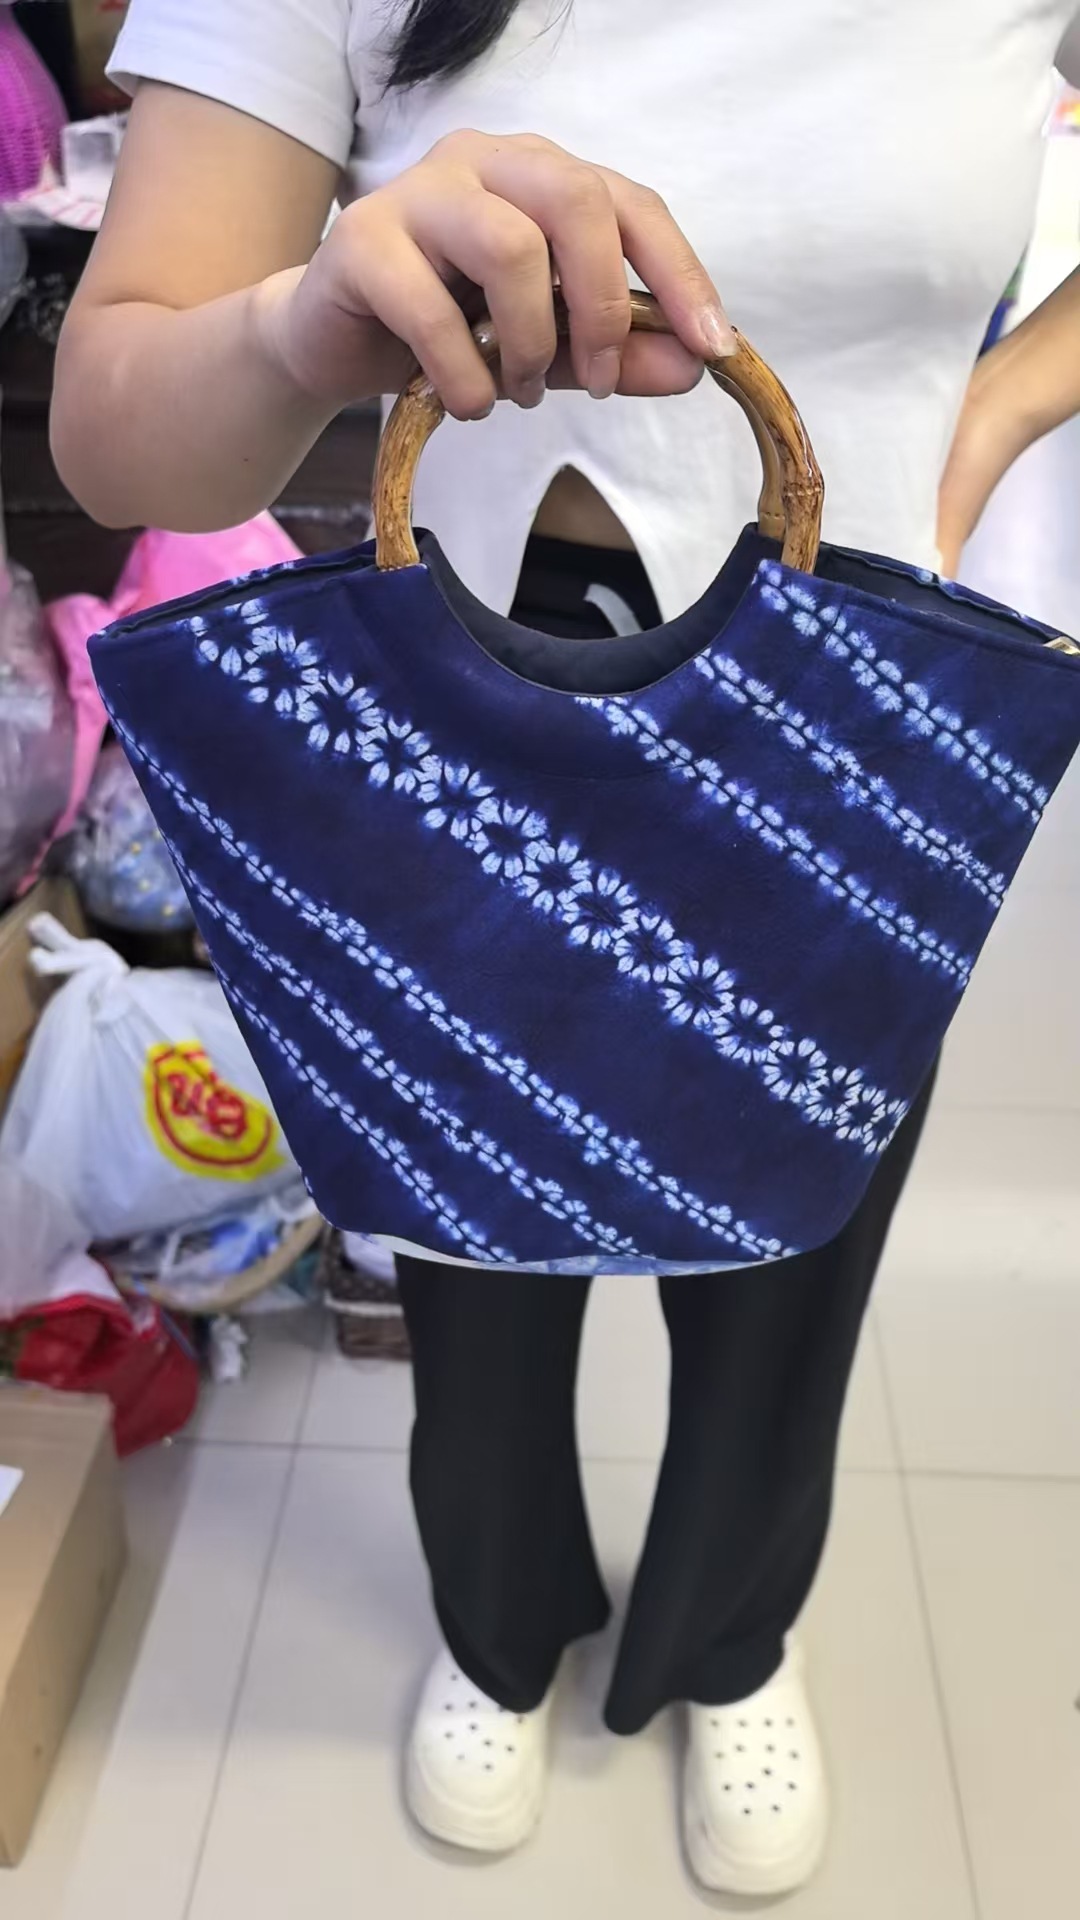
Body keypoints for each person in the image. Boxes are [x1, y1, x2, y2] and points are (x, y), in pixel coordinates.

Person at [52, 0, 1080, 1897]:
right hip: (457, 722)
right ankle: (500, 1622)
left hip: (837, 714)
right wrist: (297, 329)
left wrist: (1005, 404)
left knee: (790, 1244)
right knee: (469, 1248)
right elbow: (112, 433)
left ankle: (730, 1640)